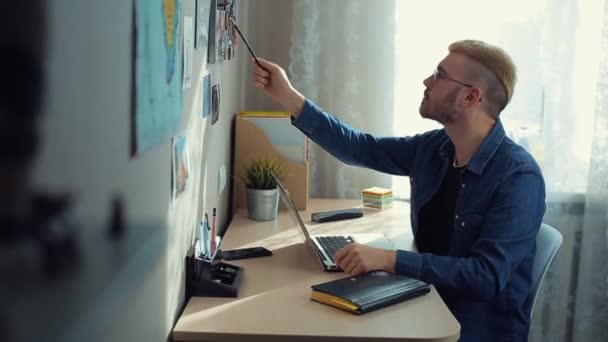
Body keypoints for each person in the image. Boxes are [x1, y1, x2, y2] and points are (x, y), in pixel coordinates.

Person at [251, 39, 546, 341]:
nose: (427, 81)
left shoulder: (518, 176)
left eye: (439, 74)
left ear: (471, 97)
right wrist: (288, 97)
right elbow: (363, 148)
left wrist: (389, 260)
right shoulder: (437, 148)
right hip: (426, 301)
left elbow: (486, 277)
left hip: (470, 329)